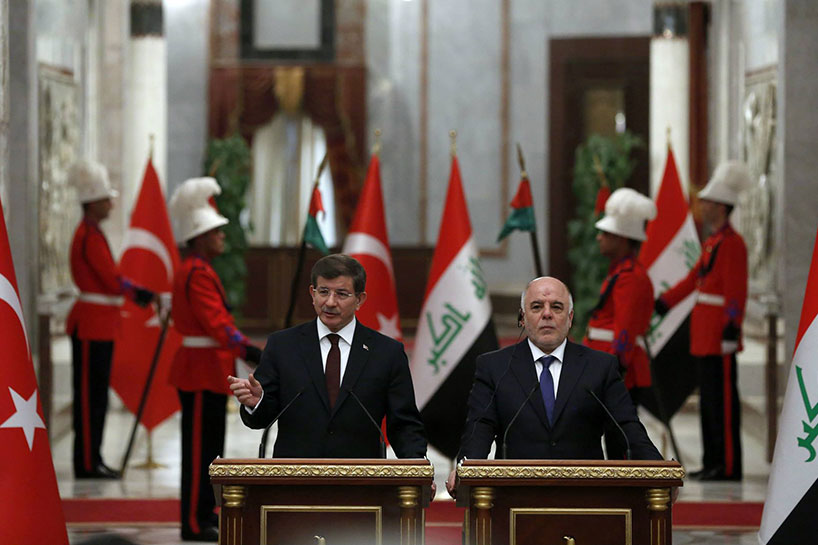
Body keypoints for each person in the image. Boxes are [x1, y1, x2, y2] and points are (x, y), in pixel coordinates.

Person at [448, 276, 661, 496]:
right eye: (537, 306)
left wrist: (659, 471)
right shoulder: (495, 367)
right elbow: (479, 428)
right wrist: (465, 467)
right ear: (522, 318)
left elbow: (627, 427)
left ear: (570, 318)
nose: (547, 314)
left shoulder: (600, 367)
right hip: (515, 497)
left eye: (557, 307)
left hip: (585, 497)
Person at [228, 254, 428, 460]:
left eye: (341, 294)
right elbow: (261, 418)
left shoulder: (387, 352)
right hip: (295, 473)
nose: (330, 302)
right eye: (323, 292)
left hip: (362, 475)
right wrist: (257, 402)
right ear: (312, 293)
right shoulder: (283, 345)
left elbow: (404, 425)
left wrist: (417, 466)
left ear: (360, 300)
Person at [168, 177, 262, 542]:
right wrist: (247, 349)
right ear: (199, 238)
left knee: (210, 448)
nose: (222, 236)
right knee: (199, 450)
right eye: (216, 232)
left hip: (207, 367)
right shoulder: (196, 272)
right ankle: (194, 522)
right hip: (198, 368)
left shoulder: (201, 269)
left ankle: (205, 514)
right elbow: (217, 323)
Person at [654, 161, 750, 481]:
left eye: (707, 202)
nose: (703, 206)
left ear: (721, 207)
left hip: (720, 336)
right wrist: (664, 302)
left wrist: (732, 327)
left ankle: (728, 465)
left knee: (723, 404)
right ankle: (712, 462)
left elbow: (736, 291)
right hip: (705, 336)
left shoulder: (732, 244)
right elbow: (694, 280)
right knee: (710, 402)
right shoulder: (713, 243)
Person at [66, 159, 155, 480]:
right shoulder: (88, 236)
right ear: (92, 203)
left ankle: (93, 458)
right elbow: (111, 279)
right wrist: (138, 293)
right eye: (105, 200)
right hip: (91, 324)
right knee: (90, 398)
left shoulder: (93, 233)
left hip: (100, 323)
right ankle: (87, 463)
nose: (110, 205)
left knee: (97, 396)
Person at [584, 188, 657, 396]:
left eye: (606, 234)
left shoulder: (630, 277)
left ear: (622, 239)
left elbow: (625, 329)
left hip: (617, 373)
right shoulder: (619, 271)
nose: (599, 238)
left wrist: (616, 369)